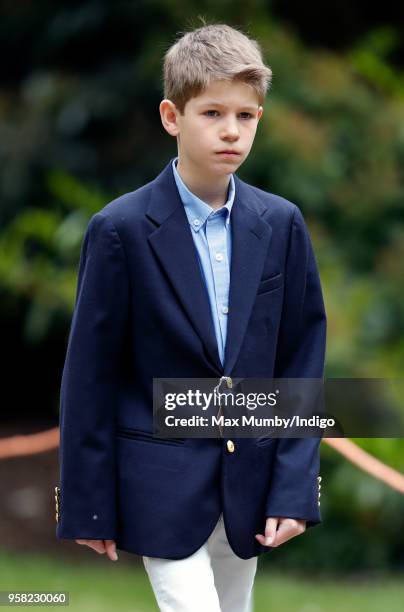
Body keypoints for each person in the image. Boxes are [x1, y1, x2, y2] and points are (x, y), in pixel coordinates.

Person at [55, 22, 326, 612]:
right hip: (157, 483)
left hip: (250, 488)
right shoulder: (119, 230)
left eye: (247, 116)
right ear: (171, 116)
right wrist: (87, 500)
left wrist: (296, 486)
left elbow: (301, 359)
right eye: (212, 113)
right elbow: (90, 374)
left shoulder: (281, 224)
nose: (232, 130)